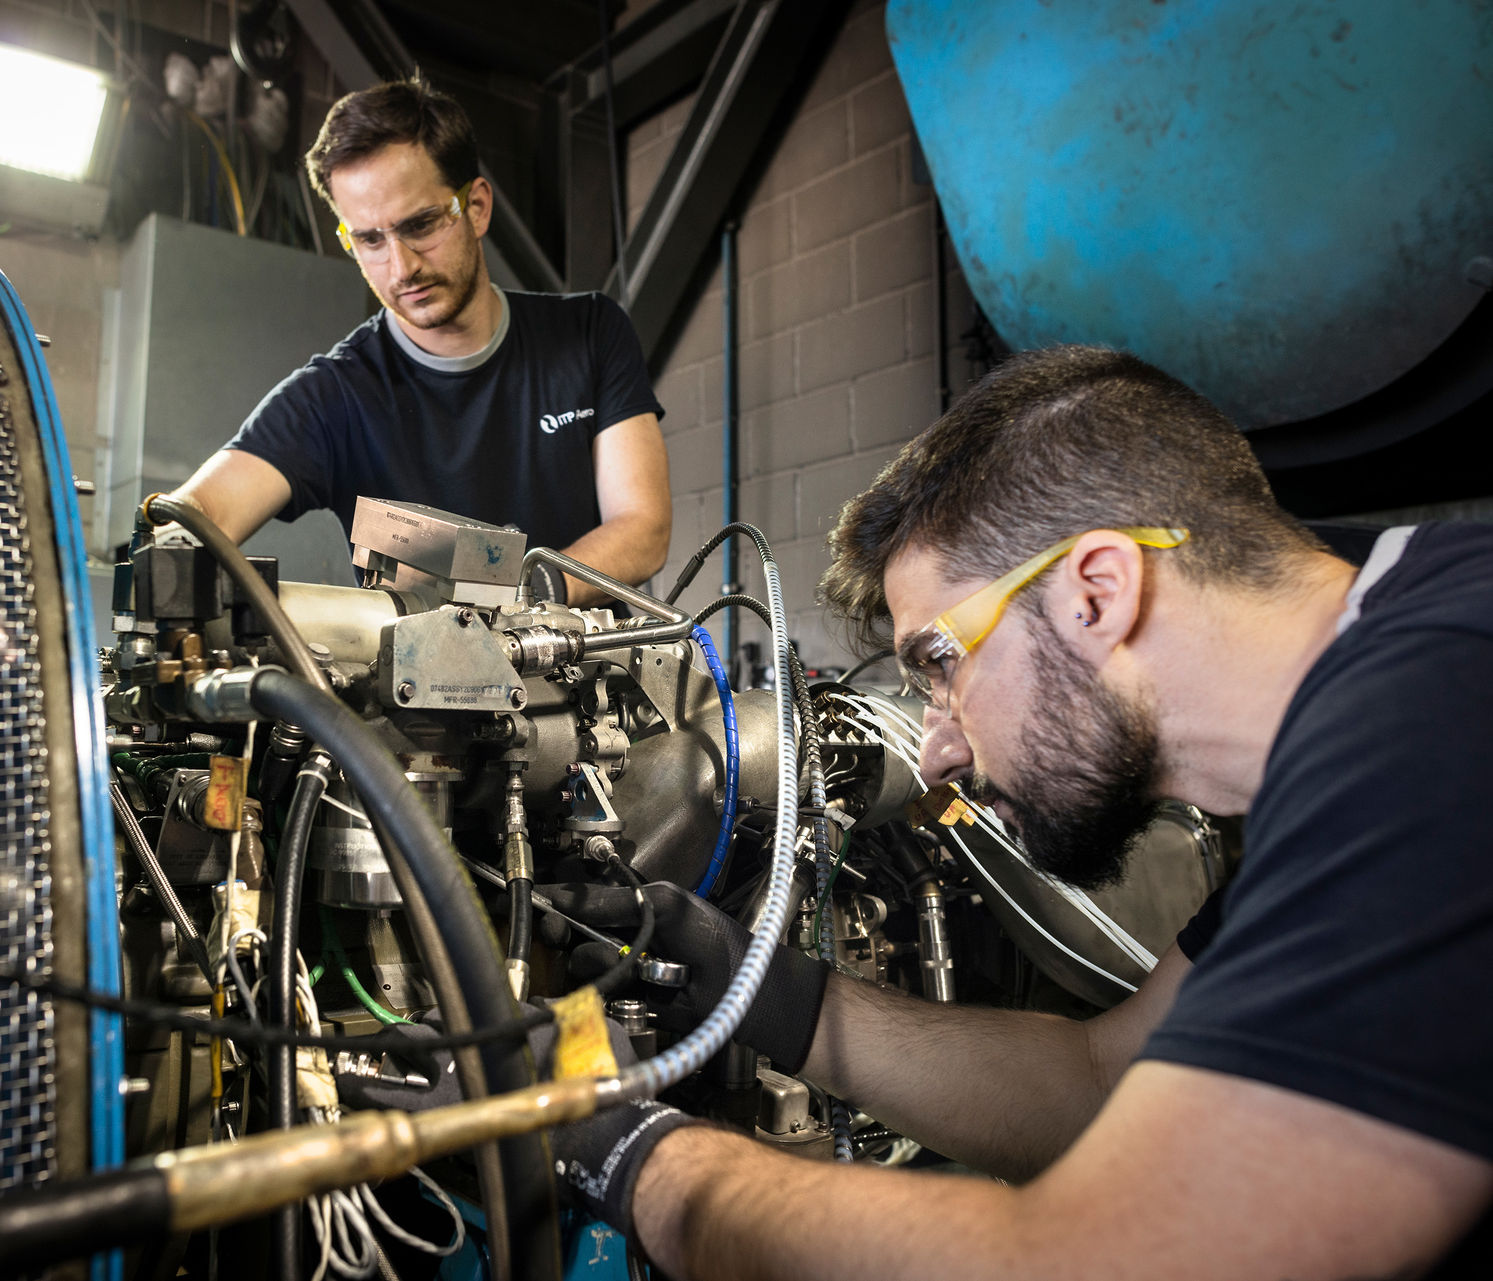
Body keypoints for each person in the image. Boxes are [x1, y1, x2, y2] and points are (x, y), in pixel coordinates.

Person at [348, 345, 1493, 1278]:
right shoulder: (1378, 707)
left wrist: (624, 1152)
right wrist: (766, 993)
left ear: (1098, 590)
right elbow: (1099, 1086)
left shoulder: (1437, 705)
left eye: (940, 663)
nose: (936, 744)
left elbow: (1093, 1260)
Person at [168, 75, 670, 606]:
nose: (401, 266)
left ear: (475, 207)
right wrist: (165, 547)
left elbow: (643, 528)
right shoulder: (334, 397)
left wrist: (522, 601)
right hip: (414, 688)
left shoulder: (589, 334)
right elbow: (199, 514)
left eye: (421, 224)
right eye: (369, 239)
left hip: (586, 678)